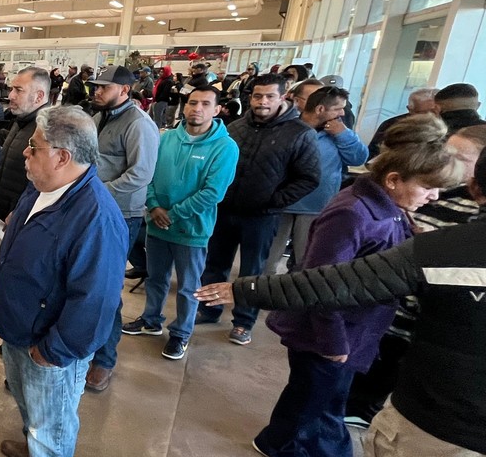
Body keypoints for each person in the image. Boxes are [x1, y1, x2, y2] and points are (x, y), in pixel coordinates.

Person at [196, 150, 486, 457]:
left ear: (476, 189)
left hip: (435, 410)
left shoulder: (447, 249)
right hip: (440, 407)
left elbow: (336, 284)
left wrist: (245, 289)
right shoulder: (409, 232)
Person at [244, 135, 457, 457]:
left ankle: (324, 443)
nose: (435, 197)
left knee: (333, 393)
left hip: (357, 330)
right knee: (309, 394)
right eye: (428, 187)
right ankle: (278, 442)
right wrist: (333, 342)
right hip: (325, 330)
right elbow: (320, 283)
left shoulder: (392, 210)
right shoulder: (351, 213)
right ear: (393, 180)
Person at [0, 105, 128, 457]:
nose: (26, 154)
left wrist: (54, 351)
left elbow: (96, 301)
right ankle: (35, 450)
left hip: (48, 349)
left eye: (35, 147)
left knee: (53, 425)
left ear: (64, 156)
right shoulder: (41, 186)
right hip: (17, 331)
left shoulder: (97, 218)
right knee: (32, 414)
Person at [343, 118, 477, 428]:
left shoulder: (463, 211)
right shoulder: (380, 201)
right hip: (384, 306)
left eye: (460, 158)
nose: (445, 160)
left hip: (422, 316)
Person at [195, 73, 321, 345]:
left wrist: (274, 201)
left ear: (283, 97)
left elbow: (309, 178)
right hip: (226, 211)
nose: (262, 101)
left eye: (269, 96)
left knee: (253, 271)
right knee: (214, 265)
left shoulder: (300, 134)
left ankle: (244, 321)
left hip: (262, 217)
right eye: (257, 96)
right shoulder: (235, 128)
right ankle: (209, 308)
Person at [122, 84, 237, 360]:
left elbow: (212, 193)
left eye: (205, 104)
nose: (197, 109)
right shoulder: (167, 138)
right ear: (184, 106)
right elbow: (147, 174)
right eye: (192, 103)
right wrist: (153, 206)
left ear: (217, 109)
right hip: (157, 225)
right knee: (156, 278)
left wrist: (172, 214)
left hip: (190, 230)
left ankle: (181, 334)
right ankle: (151, 320)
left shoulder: (225, 147)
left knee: (188, 287)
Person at [84, 66, 161, 392]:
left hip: (122, 216)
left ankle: (105, 359)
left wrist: (97, 193)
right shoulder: (101, 118)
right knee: (85, 283)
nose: (97, 92)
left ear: (125, 90)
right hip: (93, 209)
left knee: (107, 288)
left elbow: (140, 175)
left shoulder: (139, 124)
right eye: (96, 87)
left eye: (104, 87)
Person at [269, 85, 370, 270]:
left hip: (317, 205)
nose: (342, 113)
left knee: (307, 260)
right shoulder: (287, 127)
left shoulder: (339, 132)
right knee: (268, 256)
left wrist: (343, 134)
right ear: (320, 109)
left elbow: (359, 158)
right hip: (281, 202)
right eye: (338, 108)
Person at [0, 67, 50, 221]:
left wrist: (22, 212)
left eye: (18, 90)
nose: (10, 95)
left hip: (23, 219)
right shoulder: (21, 120)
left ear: (38, 96)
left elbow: (48, 185)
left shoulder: (48, 131)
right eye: (11, 89)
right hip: (5, 214)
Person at [367, 87, 437, 158]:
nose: (431, 116)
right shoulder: (391, 125)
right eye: (425, 113)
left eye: (434, 111)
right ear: (410, 110)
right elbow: (372, 154)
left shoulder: (443, 126)